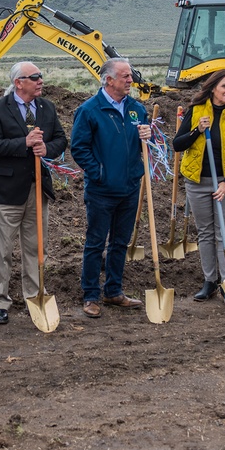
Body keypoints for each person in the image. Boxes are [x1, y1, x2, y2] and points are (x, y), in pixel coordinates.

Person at [0, 62, 68, 325]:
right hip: (5, 191)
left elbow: (61, 140)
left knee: (36, 247)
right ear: (19, 82)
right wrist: (25, 143)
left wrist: (47, 149)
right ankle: (0, 301)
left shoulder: (47, 107)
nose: (41, 81)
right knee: (2, 250)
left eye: (41, 76)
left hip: (38, 188)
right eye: (35, 77)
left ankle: (35, 295)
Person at [70, 58, 151, 318]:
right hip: (101, 191)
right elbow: (79, 148)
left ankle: (114, 290)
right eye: (125, 76)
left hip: (129, 188)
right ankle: (91, 295)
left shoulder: (137, 109)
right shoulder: (90, 110)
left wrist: (147, 140)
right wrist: (99, 173)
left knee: (120, 242)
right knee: (95, 243)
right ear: (109, 80)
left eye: (130, 76)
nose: (130, 80)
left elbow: (141, 147)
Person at [172, 69, 225, 303]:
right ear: (213, 87)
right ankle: (209, 281)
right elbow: (177, 144)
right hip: (198, 181)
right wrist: (198, 130)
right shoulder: (196, 112)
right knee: (205, 232)